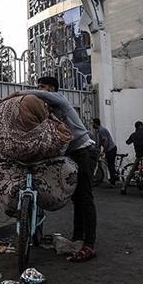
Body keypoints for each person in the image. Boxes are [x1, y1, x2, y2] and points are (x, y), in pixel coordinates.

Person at [12, 77, 98, 262]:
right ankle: (77, 238)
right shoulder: (48, 113)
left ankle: (89, 245)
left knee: (85, 197)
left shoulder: (60, 100)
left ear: (51, 88)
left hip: (84, 151)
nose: (39, 90)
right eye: (38, 86)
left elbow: (41, 95)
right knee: (76, 199)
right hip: (72, 154)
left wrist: (18, 94)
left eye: (42, 86)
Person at [92, 118, 119, 187]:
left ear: (95, 123)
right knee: (110, 165)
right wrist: (98, 148)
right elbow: (101, 141)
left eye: (93, 123)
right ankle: (113, 178)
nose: (92, 125)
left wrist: (103, 152)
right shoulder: (99, 131)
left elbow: (105, 141)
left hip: (111, 149)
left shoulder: (102, 130)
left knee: (110, 165)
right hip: (109, 150)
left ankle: (113, 182)